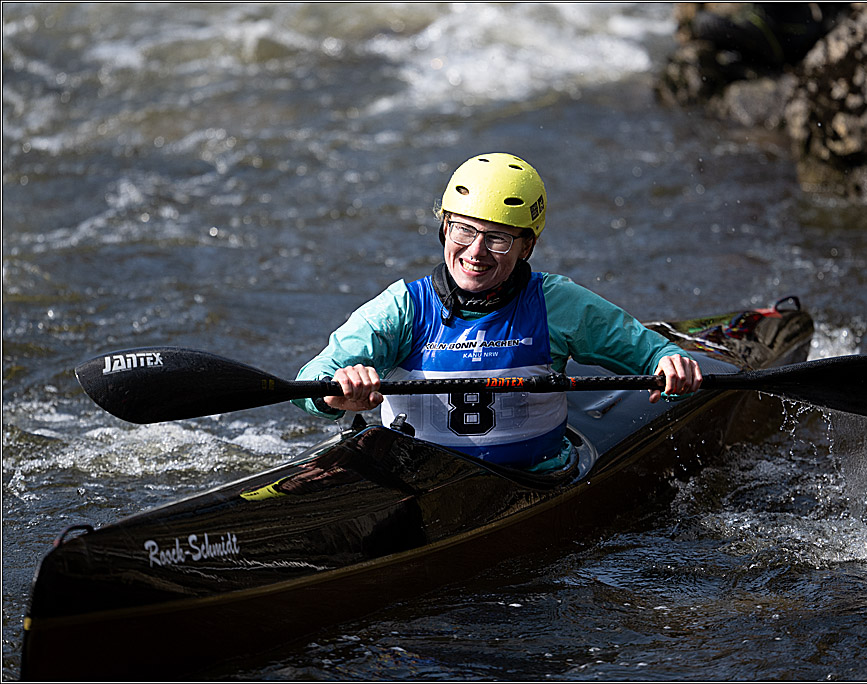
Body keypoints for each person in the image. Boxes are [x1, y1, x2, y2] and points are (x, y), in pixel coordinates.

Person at [294, 152, 702, 470]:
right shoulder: (402, 308)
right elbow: (308, 381)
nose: (475, 252)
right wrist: (336, 391)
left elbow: (649, 351)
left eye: (498, 239)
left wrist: (669, 361)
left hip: (534, 478)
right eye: (464, 230)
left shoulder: (556, 303)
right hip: (417, 480)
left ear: (527, 246)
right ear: (444, 229)